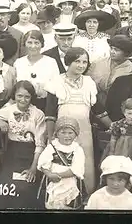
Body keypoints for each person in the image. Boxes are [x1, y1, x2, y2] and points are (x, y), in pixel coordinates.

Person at [45, 47, 106, 195]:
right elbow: (50, 113)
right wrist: (50, 135)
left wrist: (114, 126)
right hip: (62, 133)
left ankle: (86, 196)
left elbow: (99, 111)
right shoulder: (56, 81)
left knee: (86, 163)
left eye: (84, 62)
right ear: (68, 62)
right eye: (77, 61)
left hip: (84, 133)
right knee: (63, 163)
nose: (81, 65)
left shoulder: (89, 82)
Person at [0, 80, 47, 209]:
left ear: (32, 97)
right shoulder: (9, 110)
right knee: (1, 186)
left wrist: (33, 169)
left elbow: (40, 144)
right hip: (11, 153)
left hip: (31, 155)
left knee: (26, 187)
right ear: (14, 96)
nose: (23, 100)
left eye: (27, 96)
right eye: (19, 96)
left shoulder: (38, 114)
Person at [37, 116, 85, 210]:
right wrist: (49, 174)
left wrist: (58, 175)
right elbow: (42, 163)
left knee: (68, 205)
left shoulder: (77, 149)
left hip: (69, 181)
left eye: (70, 133)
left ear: (76, 135)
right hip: (52, 180)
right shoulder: (52, 147)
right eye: (63, 133)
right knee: (51, 203)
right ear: (57, 134)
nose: (67, 136)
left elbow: (76, 169)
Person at [14, 30, 60, 112]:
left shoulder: (50, 62)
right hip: (22, 105)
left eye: (36, 43)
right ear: (24, 44)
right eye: (29, 42)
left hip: (44, 105)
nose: (33, 46)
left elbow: (56, 86)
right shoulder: (19, 63)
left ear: (42, 44)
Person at [87, 35, 132, 107]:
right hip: (93, 104)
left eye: (116, 50)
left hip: (118, 107)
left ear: (126, 53)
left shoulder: (131, 69)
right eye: (111, 48)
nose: (112, 51)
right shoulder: (97, 63)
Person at [100, 98, 132, 167]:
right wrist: (112, 151)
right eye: (129, 113)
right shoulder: (119, 124)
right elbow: (113, 138)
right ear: (124, 112)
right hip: (121, 149)